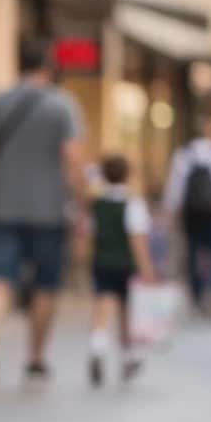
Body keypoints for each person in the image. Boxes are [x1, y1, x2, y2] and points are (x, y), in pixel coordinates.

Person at [0, 39, 86, 387]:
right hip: (49, 210)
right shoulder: (62, 105)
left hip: (3, 206)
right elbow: (73, 158)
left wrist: (0, 177)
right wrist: (81, 203)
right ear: (48, 67)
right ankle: (35, 358)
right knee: (45, 285)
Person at [87, 155, 156, 386]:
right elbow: (137, 238)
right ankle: (127, 356)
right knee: (127, 311)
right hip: (126, 264)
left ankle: (97, 347)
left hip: (102, 261)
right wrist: (146, 268)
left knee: (102, 306)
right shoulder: (132, 203)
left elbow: (89, 234)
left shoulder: (97, 204)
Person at [162, 114, 211, 314]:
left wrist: (170, 214)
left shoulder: (183, 155)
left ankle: (196, 294)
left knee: (193, 252)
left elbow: (174, 189)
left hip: (191, 214)